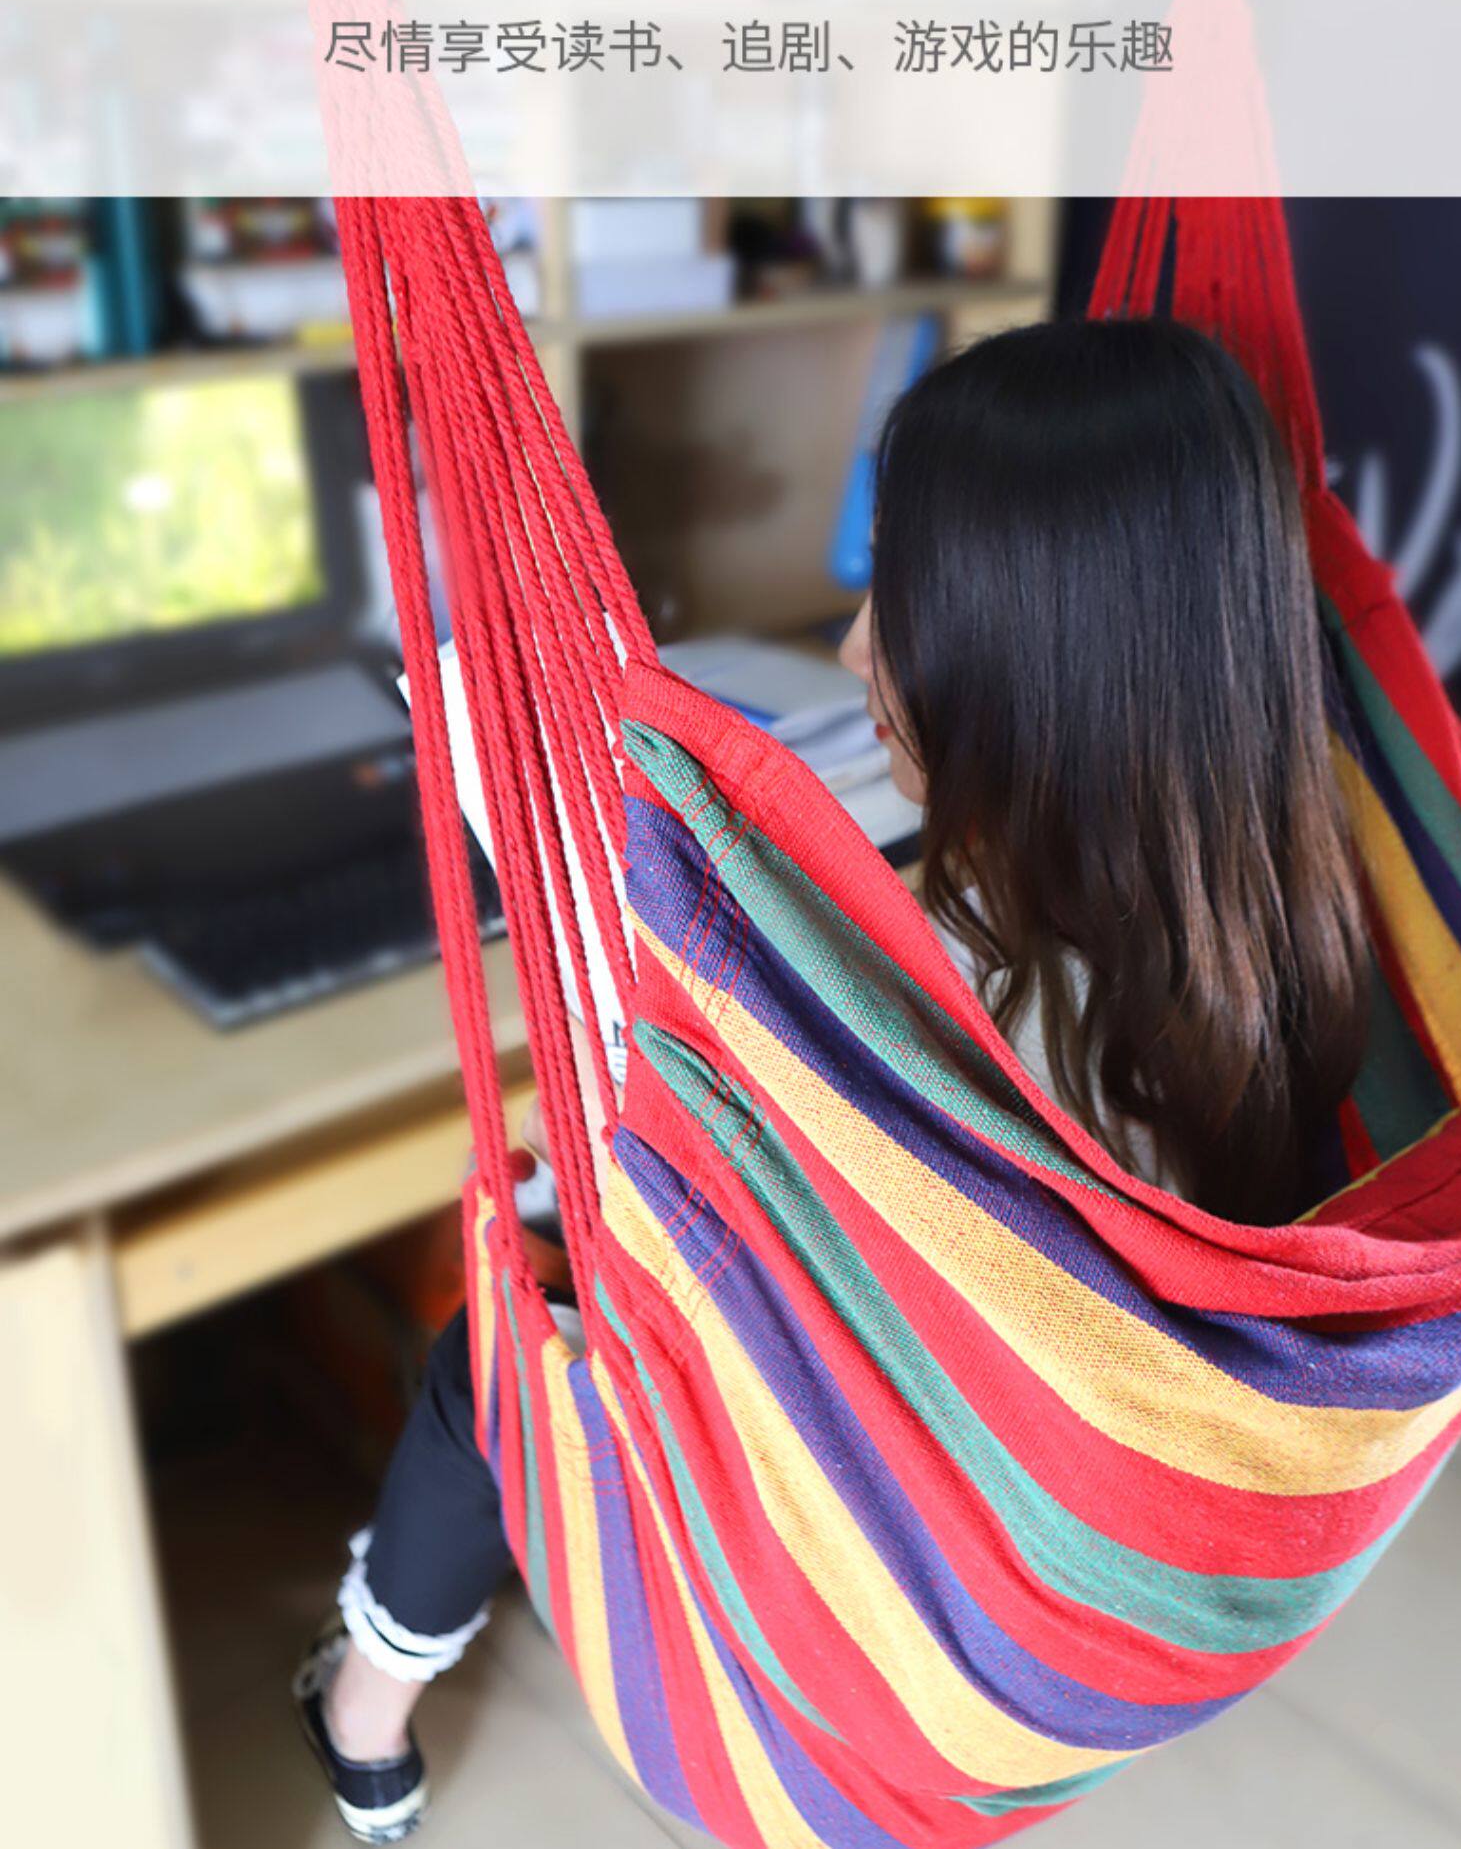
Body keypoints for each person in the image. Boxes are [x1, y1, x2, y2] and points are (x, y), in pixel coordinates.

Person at [294, 317, 1371, 1841]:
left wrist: (612, 1155)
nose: (860, 650)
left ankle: (365, 1717)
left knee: (496, 1358)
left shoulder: (987, 1022)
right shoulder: (1279, 914)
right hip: (1058, 1489)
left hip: (887, 1527)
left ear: (1040, 658)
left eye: (904, 606)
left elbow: (787, 1277)